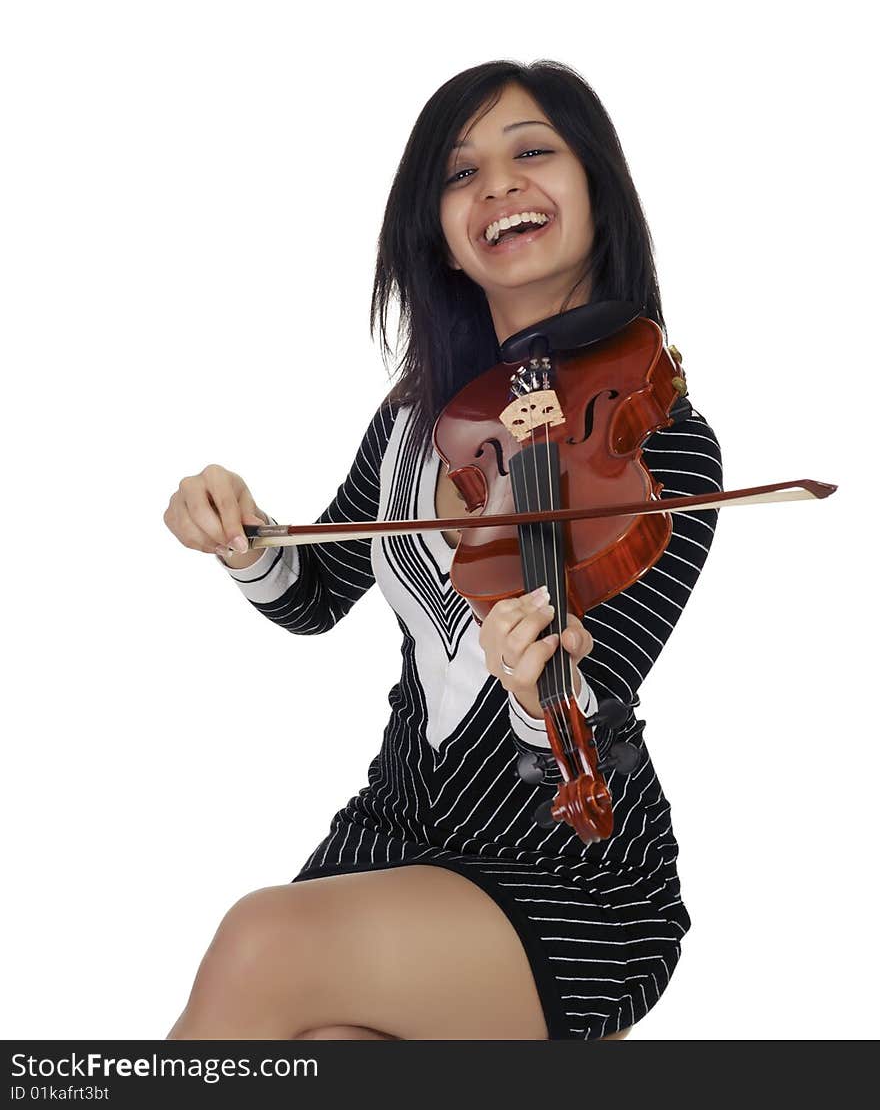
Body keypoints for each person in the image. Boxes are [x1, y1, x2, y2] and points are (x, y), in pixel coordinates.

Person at [162, 60, 722, 1041]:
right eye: (460, 173)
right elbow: (318, 591)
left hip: (564, 862)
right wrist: (242, 536)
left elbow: (596, 695)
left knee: (262, 942)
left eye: (532, 151)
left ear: (598, 185)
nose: (498, 184)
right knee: (324, 1044)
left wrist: (533, 682)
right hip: (396, 826)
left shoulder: (658, 441)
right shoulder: (426, 422)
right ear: (444, 237)